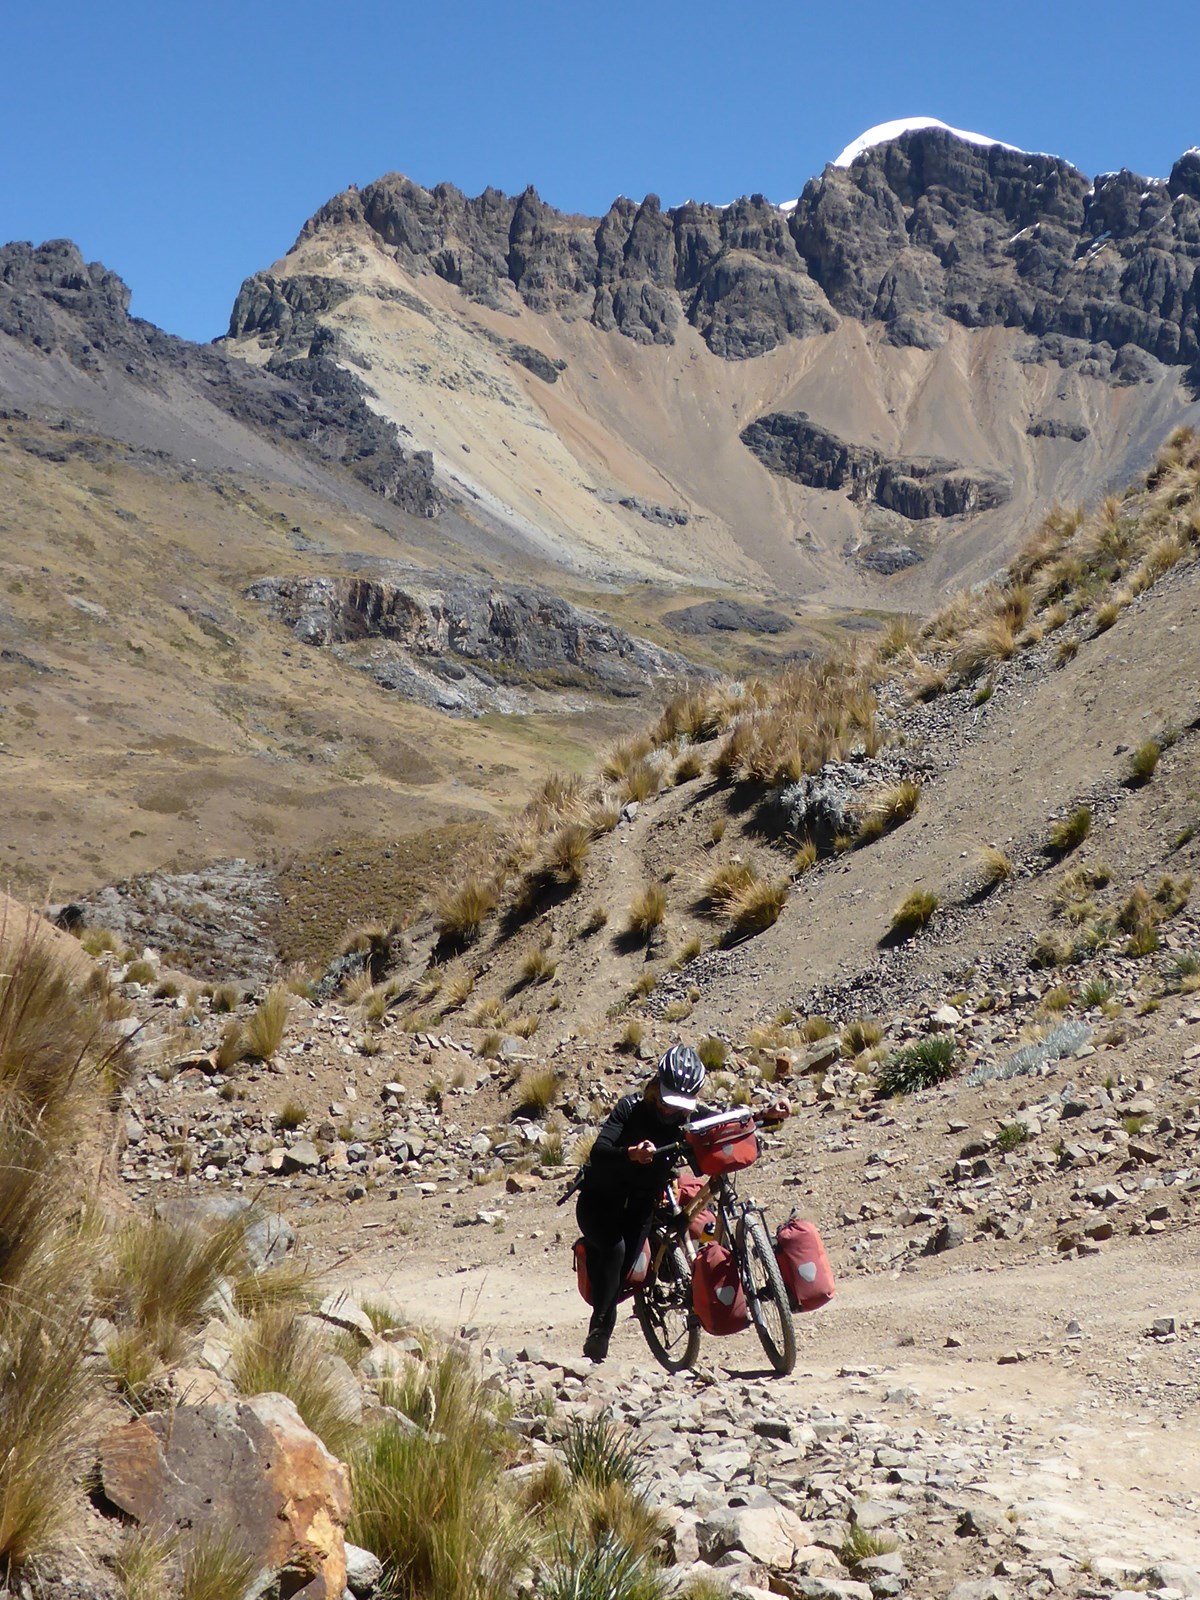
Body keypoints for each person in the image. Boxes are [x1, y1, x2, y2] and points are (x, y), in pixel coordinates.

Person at [575, 1044, 789, 1362]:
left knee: (656, 1241)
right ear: (657, 1086)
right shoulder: (630, 1108)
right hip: (600, 1202)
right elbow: (599, 1151)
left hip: (642, 1205)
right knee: (616, 1251)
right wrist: (631, 1154)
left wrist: (766, 1115)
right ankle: (599, 1333)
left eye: (679, 1105)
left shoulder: (689, 1115)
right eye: (666, 1101)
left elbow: (725, 1124)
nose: (670, 1111)